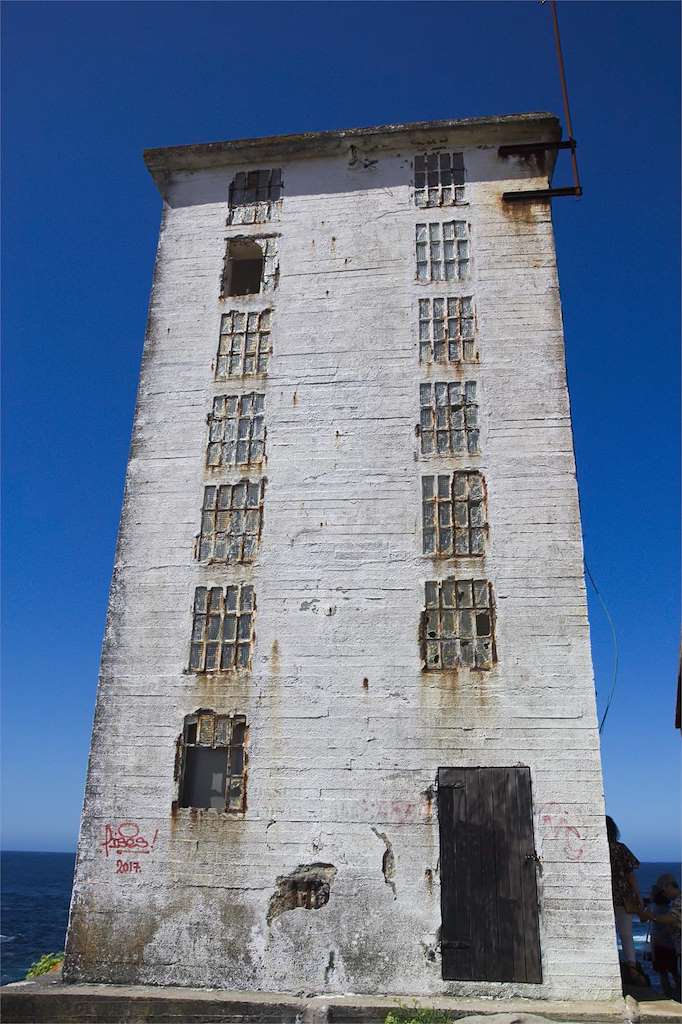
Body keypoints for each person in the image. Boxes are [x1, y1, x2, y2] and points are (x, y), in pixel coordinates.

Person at [606, 815, 647, 986]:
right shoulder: (620, 848)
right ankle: (632, 968)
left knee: (609, 935)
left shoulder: (597, 848)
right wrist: (638, 895)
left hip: (605, 894)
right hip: (623, 895)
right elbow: (630, 875)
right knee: (626, 934)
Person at [640, 874, 681, 1000]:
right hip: (674, 946)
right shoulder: (673, 903)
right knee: (675, 974)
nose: (664, 894)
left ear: (668, 886)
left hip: (668, 946)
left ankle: (672, 998)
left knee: (666, 974)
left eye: (663, 890)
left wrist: (652, 916)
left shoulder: (678, 901)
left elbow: (673, 918)